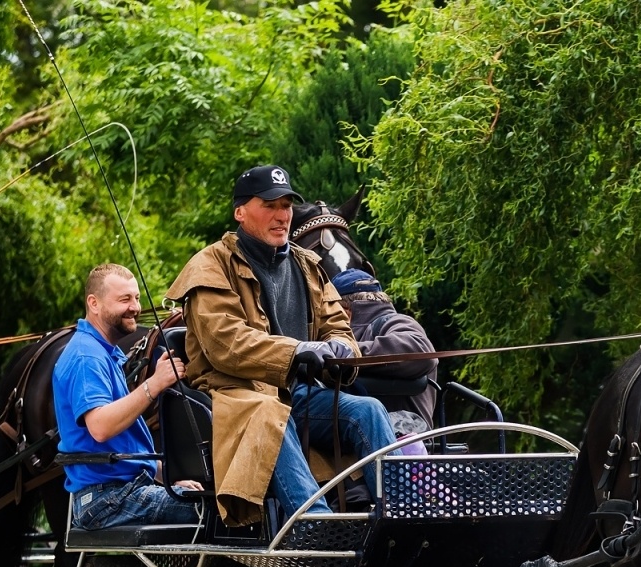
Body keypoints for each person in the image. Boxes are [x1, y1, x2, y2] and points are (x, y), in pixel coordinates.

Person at [165, 164, 397, 529]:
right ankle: (316, 527)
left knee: (366, 410)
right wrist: (297, 351)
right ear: (240, 212)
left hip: (297, 394)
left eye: (287, 205)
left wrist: (338, 349)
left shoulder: (307, 265)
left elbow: (339, 325)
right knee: (268, 412)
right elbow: (226, 344)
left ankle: (398, 517)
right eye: (270, 205)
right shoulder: (208, 266)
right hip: (234, 395)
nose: (282, 216)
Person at [52, 263, 200, 532]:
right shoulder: (87, 357)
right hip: (105, 498)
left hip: (123, 491)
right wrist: (154, 384)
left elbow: (124, 445)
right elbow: (100, 427)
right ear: (93, 303)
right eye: (124, 299)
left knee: (204, 498)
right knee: (210, 511)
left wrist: (169, 477)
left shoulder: (102, 351)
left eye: (137, 298)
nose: (135, 307)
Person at [329, 268, 439, 441]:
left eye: (330, 313)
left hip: (404, 449)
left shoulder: (395, 322)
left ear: (345, 312)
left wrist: (345, 351)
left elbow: (421, 350)